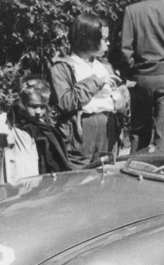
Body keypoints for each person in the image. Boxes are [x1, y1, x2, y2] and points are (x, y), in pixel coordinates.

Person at [51, 14, 128, 168]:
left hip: (107, 132)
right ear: (88, 39)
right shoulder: (62, 67)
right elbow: (65, 102)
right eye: (103, 39)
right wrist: (96, 82)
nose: (108, 43)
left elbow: (116, 102)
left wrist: (122, 100)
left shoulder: (104, 66)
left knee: (107, 179)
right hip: (81, 137)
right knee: (78, 181)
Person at [121, 0, 164, 152]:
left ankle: (135, 168)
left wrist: (134, 71)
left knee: (139, 130)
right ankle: (161, 169)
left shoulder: (132, 11)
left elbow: (125, 50)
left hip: (140, 77)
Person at [0, 75, 71, 184]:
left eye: (42, 107)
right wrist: (6, 132)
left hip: (34, 176)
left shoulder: (42, 126)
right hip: (14, 177)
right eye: (33, 106)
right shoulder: (10, 120)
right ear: (23, 104)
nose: (39, 111)